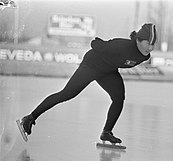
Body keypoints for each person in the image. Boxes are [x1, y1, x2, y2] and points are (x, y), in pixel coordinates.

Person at [17, 23, 157, 144]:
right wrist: (100, 46)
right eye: (148, 43)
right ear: (139, 40)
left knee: (119, 98)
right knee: (66, 94)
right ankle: (29, 118)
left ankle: (106, 132)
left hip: (108, 71)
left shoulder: (144, 56)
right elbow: (95, 44)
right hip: (92, 66)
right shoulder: (121, 45)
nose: (150, 48)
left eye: (153, 44)